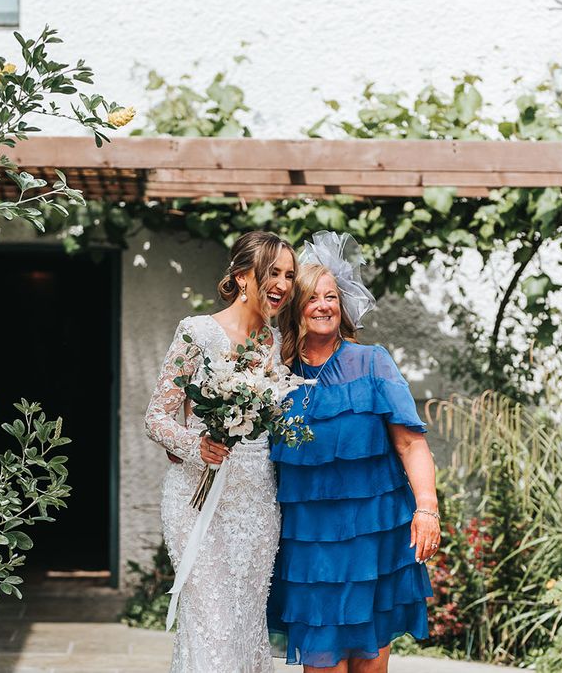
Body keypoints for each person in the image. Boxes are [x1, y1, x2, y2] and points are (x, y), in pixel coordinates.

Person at [204, 231, 440, 672]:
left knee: (370, 663)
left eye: (332, 297)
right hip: (309, 544)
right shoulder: (272, 373)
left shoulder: (373, 363)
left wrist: (426, 508)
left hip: (375, 536)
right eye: (312, 298)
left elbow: (411, 443)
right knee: (322, 664)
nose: (324, 306)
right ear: (296, 307)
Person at [145, 230, 297, 673]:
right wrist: (197, 446)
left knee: (246, 627)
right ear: (244, 276)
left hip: (256, 504)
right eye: (274, 272)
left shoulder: (272, 343)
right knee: (212, 627)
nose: (284, 284)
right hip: (196, 501)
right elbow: (156, 417)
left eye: (289, 275)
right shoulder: (196, 332)